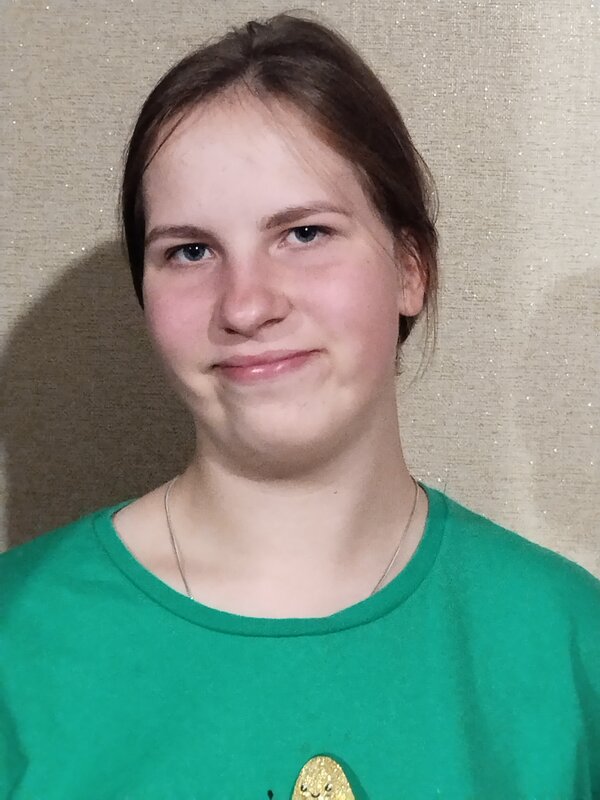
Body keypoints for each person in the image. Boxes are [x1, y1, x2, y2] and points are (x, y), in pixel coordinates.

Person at [1, 11, 598, 800]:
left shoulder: (569, 645)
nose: (246, 305)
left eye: (305, 234)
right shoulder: (19, 643)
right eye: (190, 251)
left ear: (411, 268)